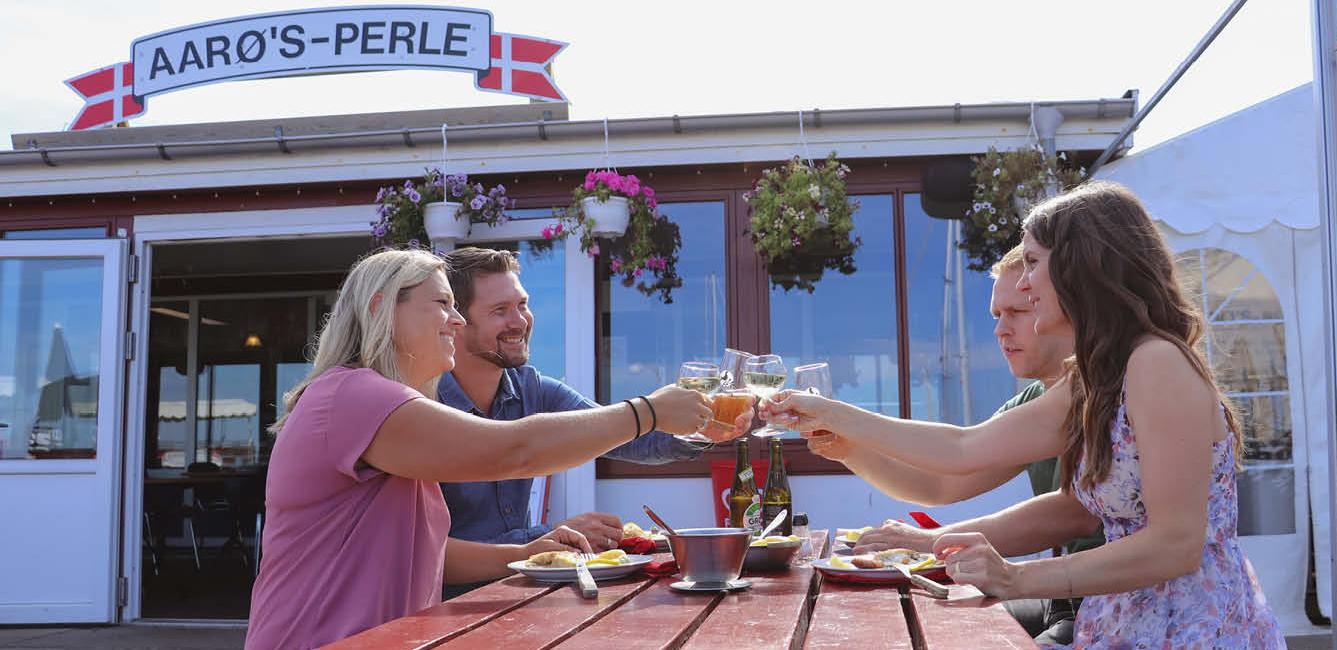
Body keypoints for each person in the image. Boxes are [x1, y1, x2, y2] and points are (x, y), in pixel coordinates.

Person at [765, 181, 1283, 648]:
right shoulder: (1096, 377)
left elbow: (1176, 546)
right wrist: (837, 422)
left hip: (1192, 629)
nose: (1027, 286)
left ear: (1082, 265)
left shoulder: (1157, 363)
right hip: (1122, 622)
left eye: (1034, 264)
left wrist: (1013, 578)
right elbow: (962, 450)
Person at [245, 249, 750, 650]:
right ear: (380, 307)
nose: (457, 322)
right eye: (442, 304)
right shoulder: (354, 395)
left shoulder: (378, 406)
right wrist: (648, 409)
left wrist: (523, 553)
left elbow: (428, 553)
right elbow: (517, 450)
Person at [810, 243, 1097, 645]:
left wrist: (928, 540)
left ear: (1066, 307)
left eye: (1018, 312)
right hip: (1064, 597)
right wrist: (850, 449)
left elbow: (1073, 512)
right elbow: (942, 482)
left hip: (1111, 605)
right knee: (930, 627)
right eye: (998, 316)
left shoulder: (1100, 388)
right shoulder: (1039, 398)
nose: (1000, 330)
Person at [437, 247, 729, 597]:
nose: (519, 321)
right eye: (500, 310)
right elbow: (428, 552)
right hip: (446, 608)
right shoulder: (424, 405)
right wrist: (543, 538)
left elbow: (626, 437)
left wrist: (704, 430)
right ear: (456, 321)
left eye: (522, 305)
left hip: (519, 594)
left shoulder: (532, 388)